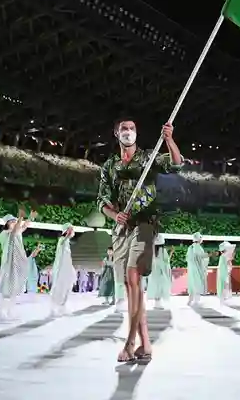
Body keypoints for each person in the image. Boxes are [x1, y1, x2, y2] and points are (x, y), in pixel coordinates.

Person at [97, 118, 182, 363]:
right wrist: (115, 215)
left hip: (146, 223)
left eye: (132, 128)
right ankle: (146, 344)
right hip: (122, 228)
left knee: (134, 277)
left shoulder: (148, 157)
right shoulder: (109, 166)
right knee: (130, 286)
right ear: (116, 133)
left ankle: (130, 342)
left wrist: (169, 139)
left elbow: (176, 164)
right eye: (124, 128)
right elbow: (102, 201)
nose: (128, 132)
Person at [0, 207, 37, 321]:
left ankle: (10, 312)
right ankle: (2, 313)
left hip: (17, 263)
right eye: (12, 222)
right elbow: (15, 231)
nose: (15, 223)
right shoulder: (5, 233)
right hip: (9, 264)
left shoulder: (17, 231)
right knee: (7, 289)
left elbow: (23, 226)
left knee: (14, 289)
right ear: (7, 224)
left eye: (15, 221)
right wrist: (20, 218)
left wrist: (30, 218)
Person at [50, 224, 77, 317]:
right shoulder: (62, 240)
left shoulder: (67, 242)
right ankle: (54, 308)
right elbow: (61, 244)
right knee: (59, 287)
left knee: (67, 288)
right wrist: (66, 237)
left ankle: (62, 307)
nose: (72, 231)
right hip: (61, 269)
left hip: (67, 269)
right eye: (71, 229)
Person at [146, 234, 173, 309]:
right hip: (161, 272)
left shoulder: (151, 250)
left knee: (155, 287)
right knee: (161, 287)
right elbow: (166, 261)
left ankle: (156, 303)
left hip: (153, 272)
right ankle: (158, 304)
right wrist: (171, 253)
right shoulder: (163, 251)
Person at [186, 232, 210, 306]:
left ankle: (190, 300)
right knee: (197, 284)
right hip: (197, 269)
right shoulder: (198, 247)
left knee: (191, 284)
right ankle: (196, 301)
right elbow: (201, 257)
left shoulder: (190, 247)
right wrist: (209, 255)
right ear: (199, 239)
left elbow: (188, 258)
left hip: (191, 269)